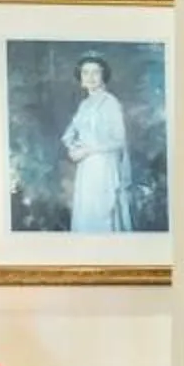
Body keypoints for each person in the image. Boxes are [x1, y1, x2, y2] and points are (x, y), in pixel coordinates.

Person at [61, 53, 127, 234]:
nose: (90, 77)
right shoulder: (85, 105)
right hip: (86, 166)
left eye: (95, 72)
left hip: (103, 164)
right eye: (85, 72)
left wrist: (88, 149)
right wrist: (73, 149)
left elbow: (119, 140)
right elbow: (68, 134)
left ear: (103, 75)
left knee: (101, 213)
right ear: (80, 77)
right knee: (85, 213)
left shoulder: (110, 102)